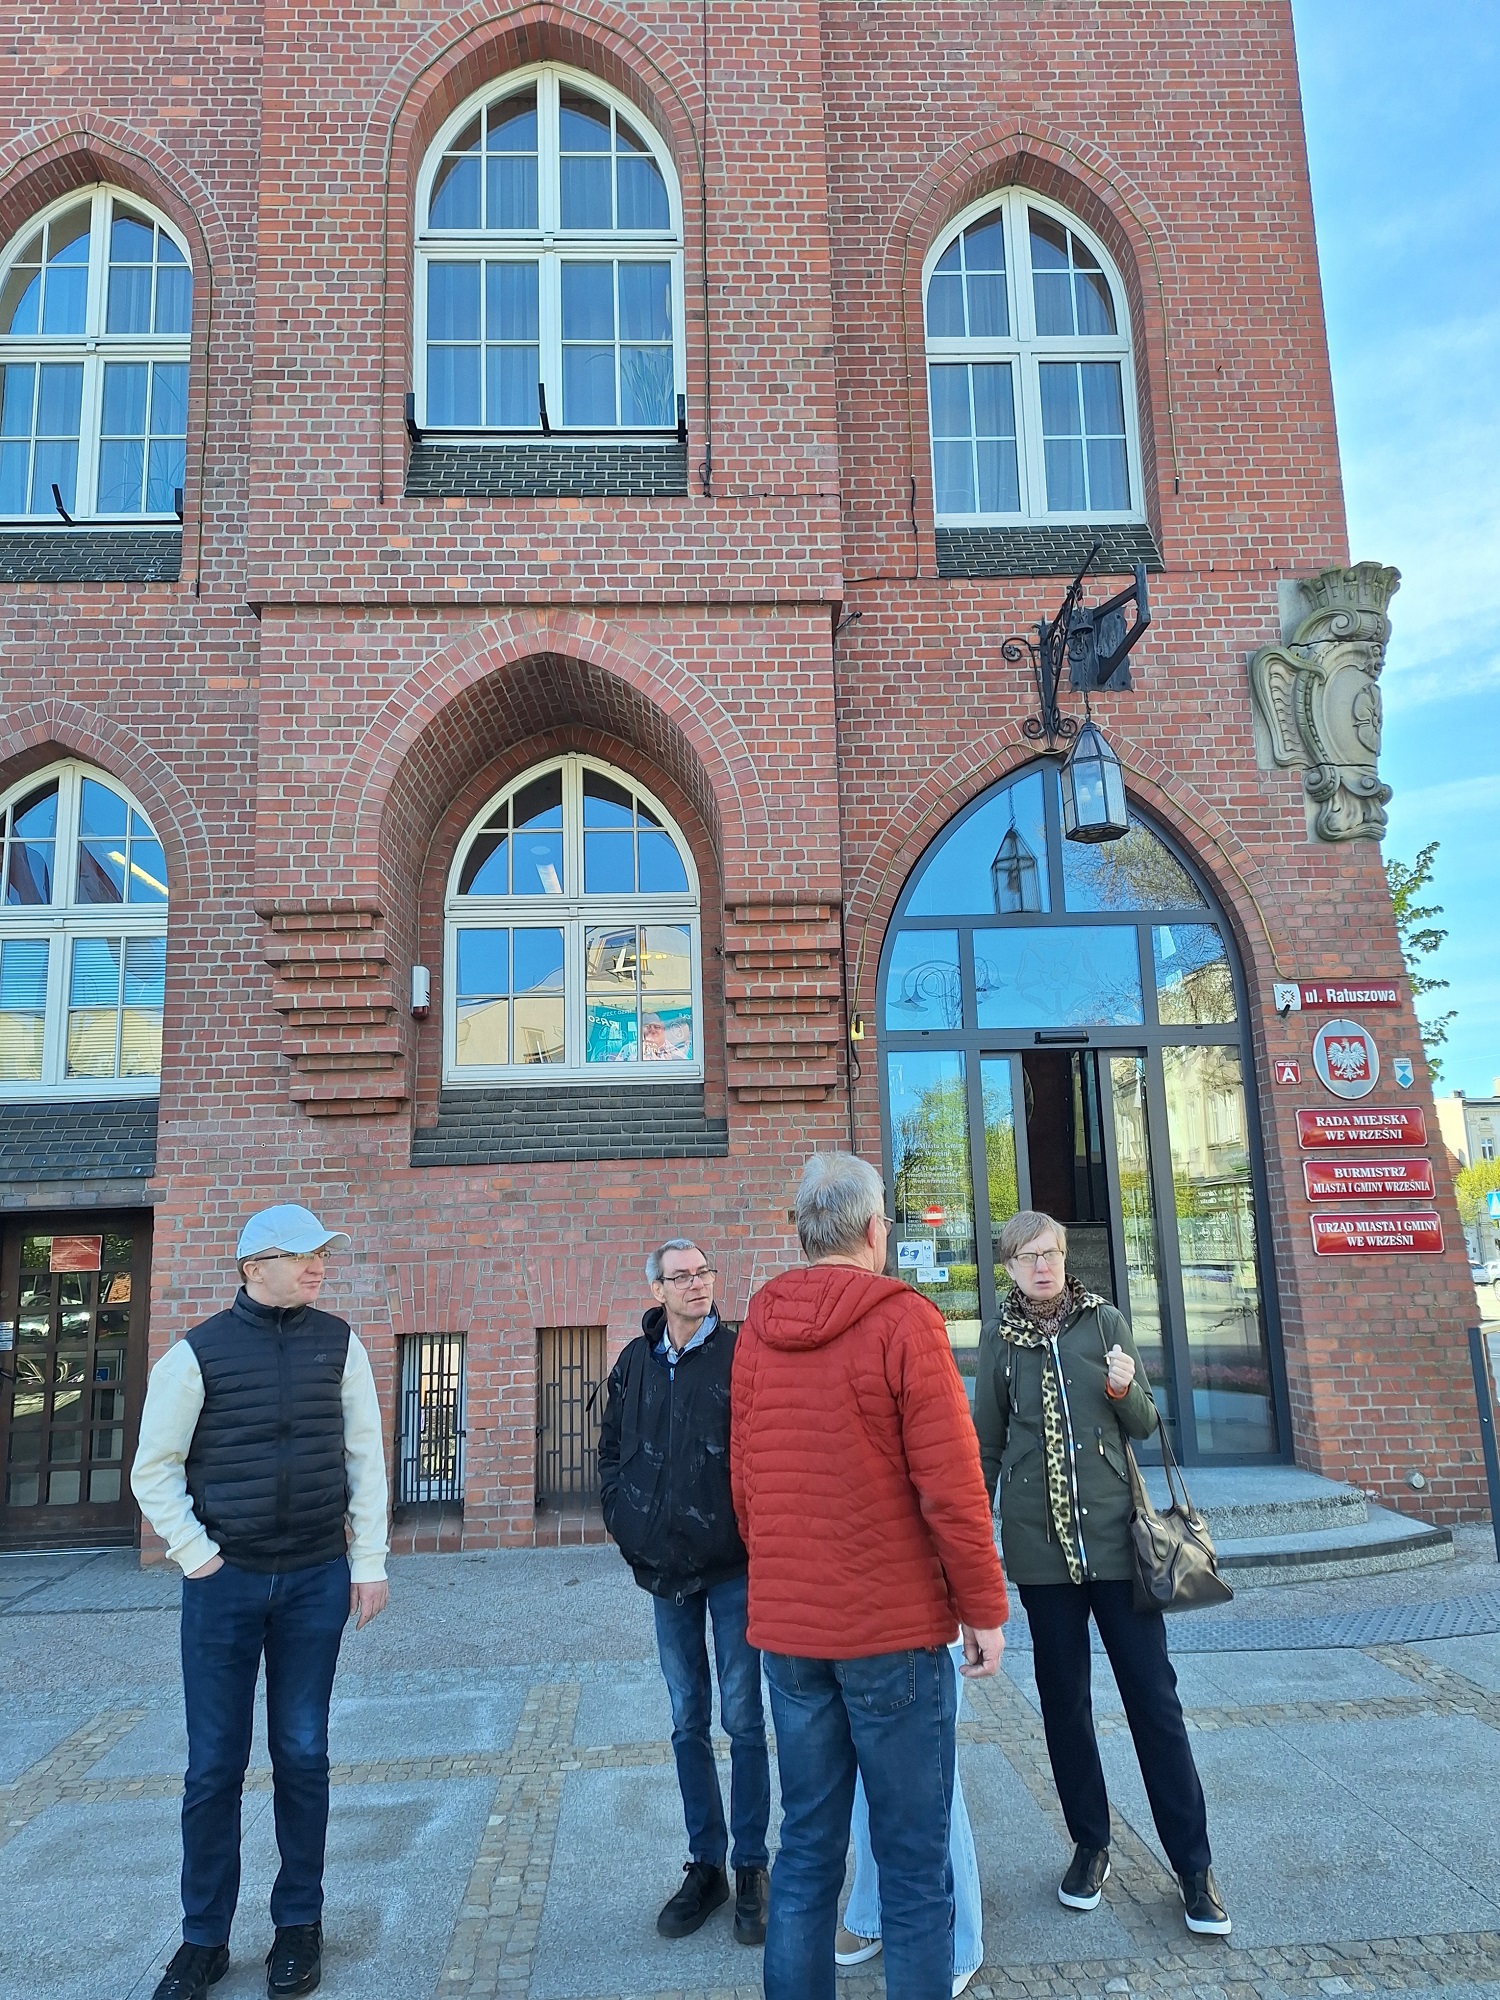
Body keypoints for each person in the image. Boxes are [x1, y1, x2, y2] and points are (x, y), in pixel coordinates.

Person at [730, 1153, 1008, 2000]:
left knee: (806, 1852)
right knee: (914, 1866)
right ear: (873, 1230)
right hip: (894, 1633)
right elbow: (952, 1485)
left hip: (791, 1636)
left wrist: (785, 1573)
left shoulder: (757, 1326)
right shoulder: (904, 1320)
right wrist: (984, 1609)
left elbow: (745, 1484)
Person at [130, 1205, 390, 2000]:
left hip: (315, 1576)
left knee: (303, 1755)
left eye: (322, 1254)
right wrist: (198, 1556)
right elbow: (153, 1468)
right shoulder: (195, 1354)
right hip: (226, 1584)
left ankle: (298, 1925)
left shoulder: (340, 1344)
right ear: (253, 1268)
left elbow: (365, 1456)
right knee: (214, 1765)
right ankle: (202, 1939)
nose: (317, 1266)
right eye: (301, 1255)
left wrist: (369, 1564)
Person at [973, 1209, 1231, 1937]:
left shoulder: (1104, 1322)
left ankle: (1193, 1866)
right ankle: (1090, 1845)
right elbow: (986, 1445)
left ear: (1065, 1257)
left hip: (1120, 1549)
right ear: (1009, 1268)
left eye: (1051, 1253)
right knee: (1065, 1706)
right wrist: (969, 1541)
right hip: (1041, 1554)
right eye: (1028, 1257)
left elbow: (1147, 1424)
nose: (1043, 1266)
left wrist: (1124, 1390)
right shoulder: (998, 1340)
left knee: (1154, 1702)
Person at [597, 1238, 771, 1947]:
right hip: (664, 1572)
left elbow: (762, 1451)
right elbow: (611, 1451)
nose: (698, 1284)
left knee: (745, 1719)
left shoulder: (740, 1354)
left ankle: (752, 1864)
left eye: (704, 1273)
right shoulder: (634, 1363)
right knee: (685, 1720)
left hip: (732, 1569)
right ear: (658, 1290)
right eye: (682, 1276)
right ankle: (707, 1865)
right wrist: (626, 1519)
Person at [834, 1638, 984, 1993]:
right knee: (863, 1766)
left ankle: (960, 1937)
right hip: (848, 1626)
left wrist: (982, 1616)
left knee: (934, 1776)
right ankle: (871, 1910)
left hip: (928, 1630)